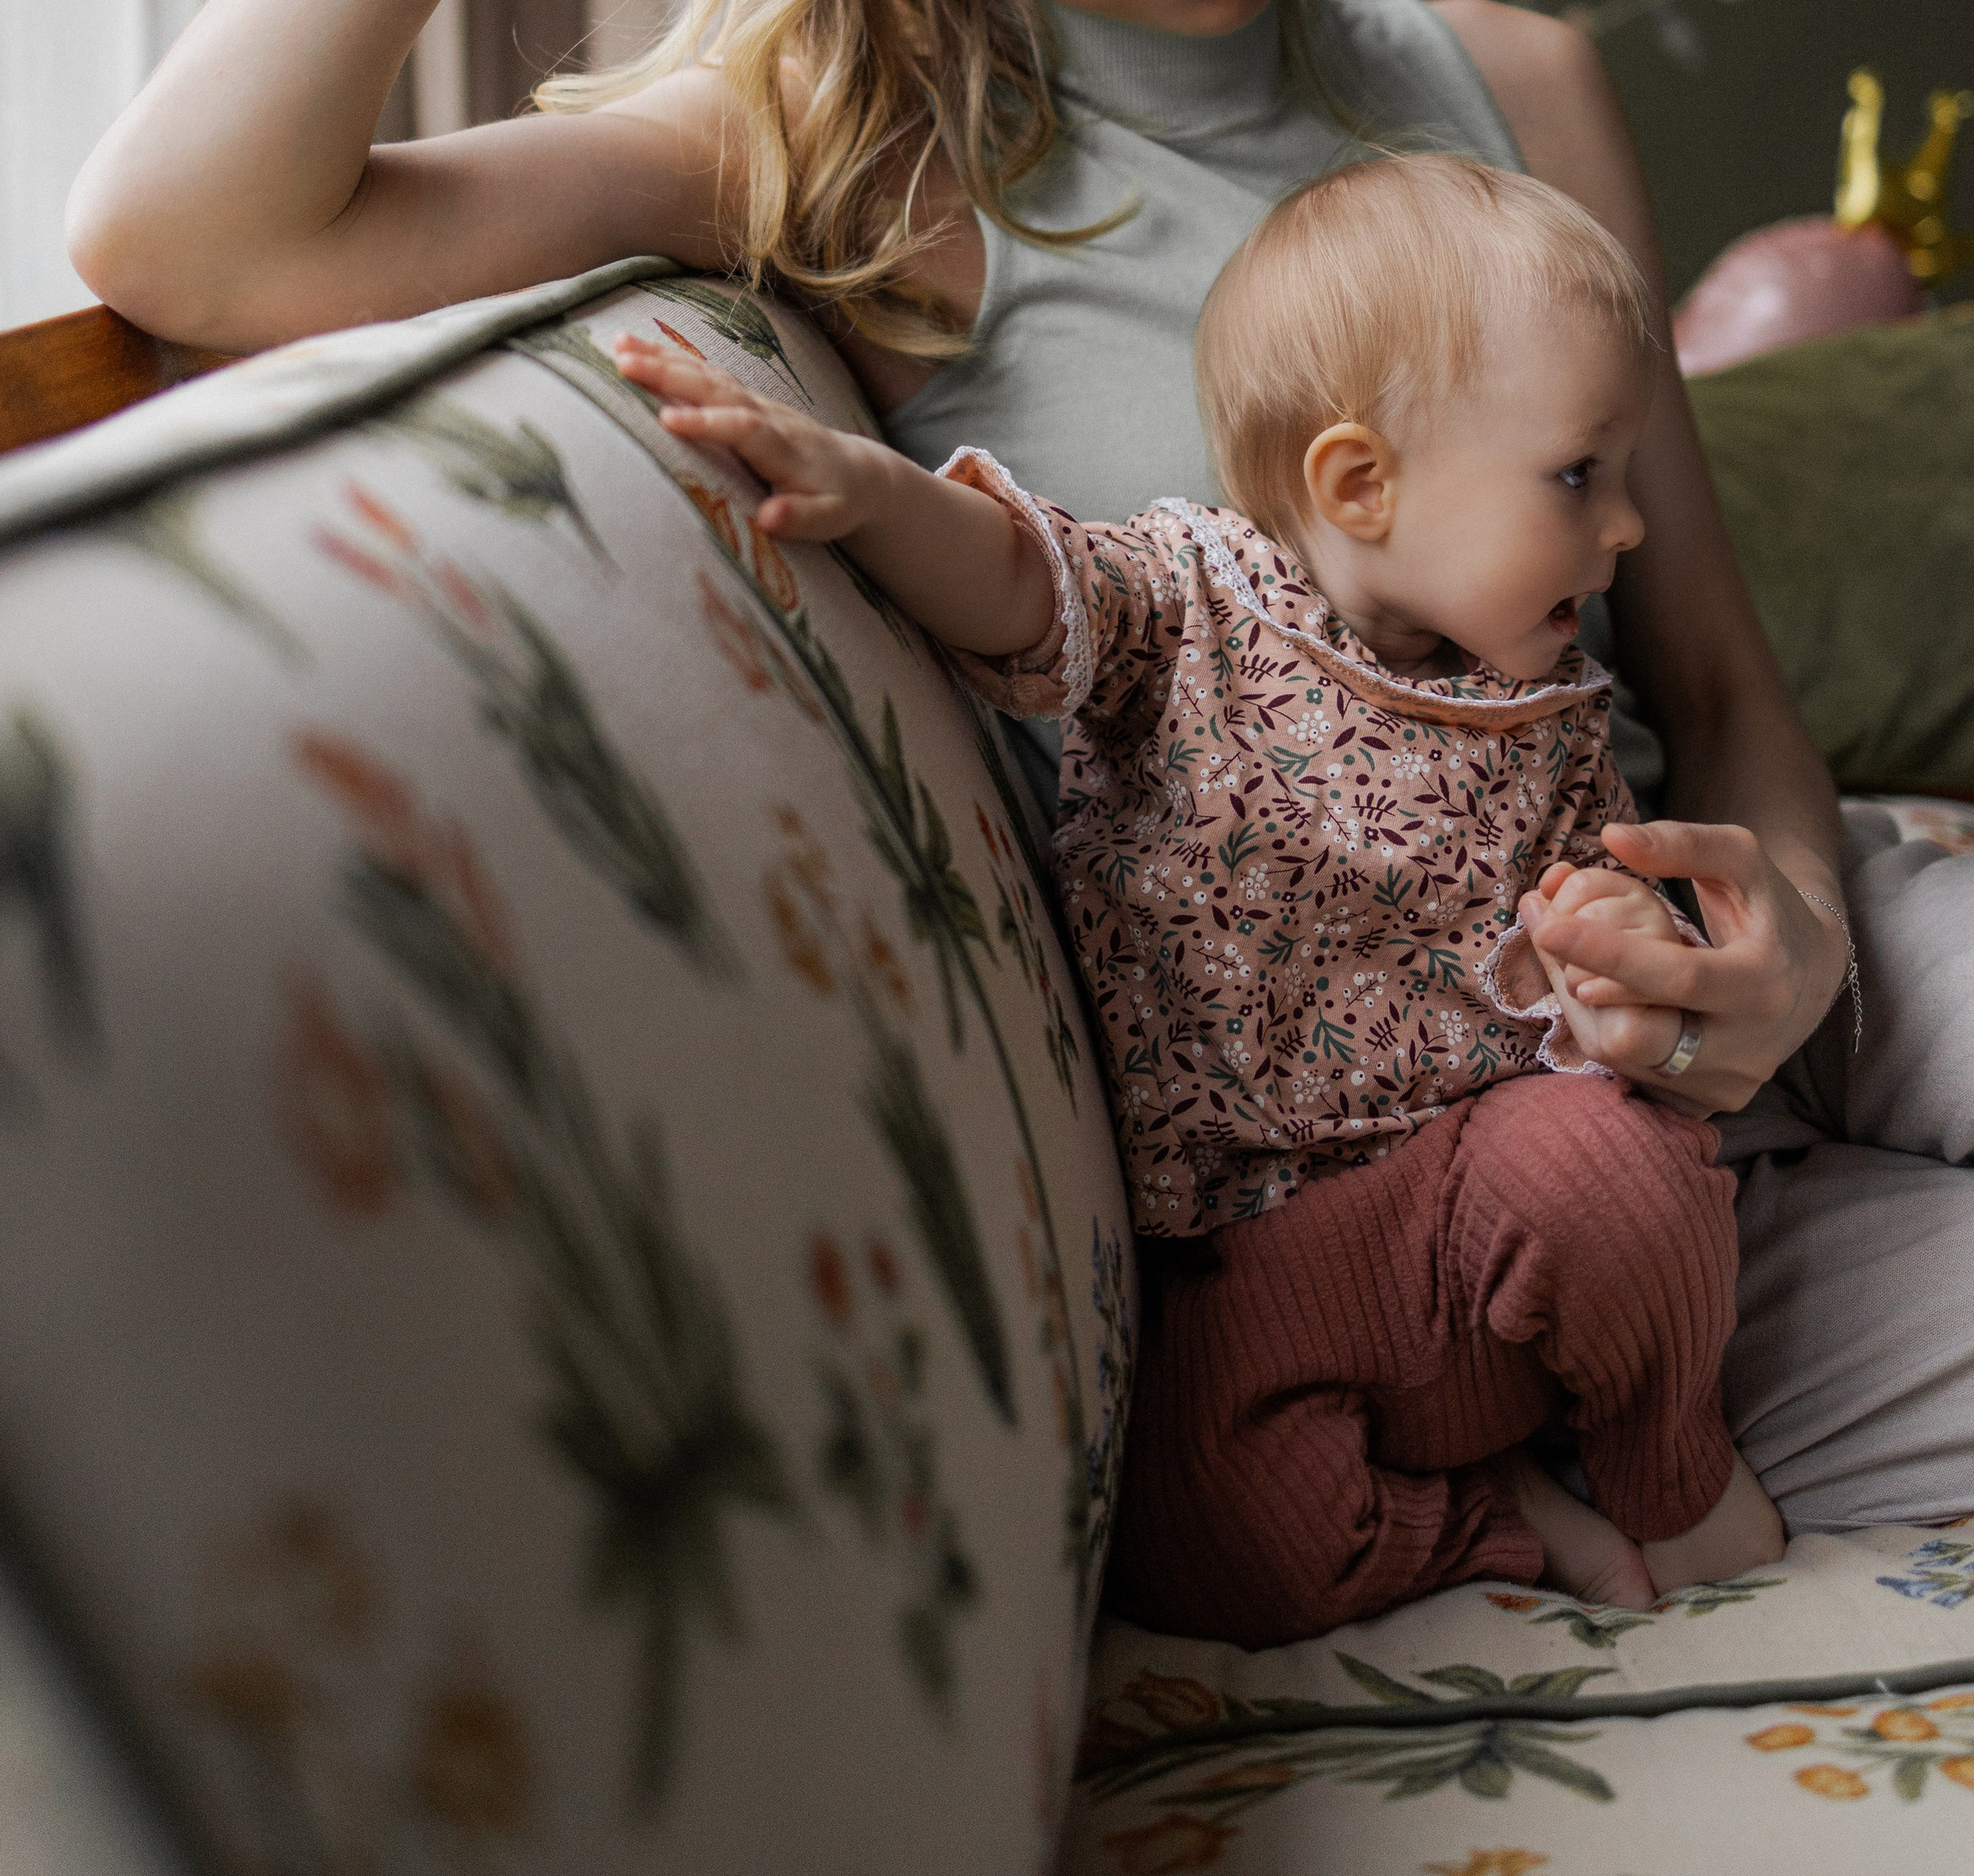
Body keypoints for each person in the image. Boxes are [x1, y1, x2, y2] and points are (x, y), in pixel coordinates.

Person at [67, 0, 1974, 1536]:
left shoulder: (1520, 86)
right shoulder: (872, 175)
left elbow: (1710, 678)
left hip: (1774, 958)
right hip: (1463, 1192)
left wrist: (1791, 935)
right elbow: (189, 235)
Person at [609, 153, 1788, 1641]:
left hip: (1488, 1218)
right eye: (1577, 476)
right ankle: (1500, 1525)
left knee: (1619, 1172)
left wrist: (1619, 952)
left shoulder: (1548, 710)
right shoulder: (1188, 604)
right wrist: (871, 497)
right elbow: (1021, 580)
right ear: (1360, 485)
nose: (1625, 527)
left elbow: (1618, 952)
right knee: (1201, 1532)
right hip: (1263, 1268)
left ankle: (1668, 1473)